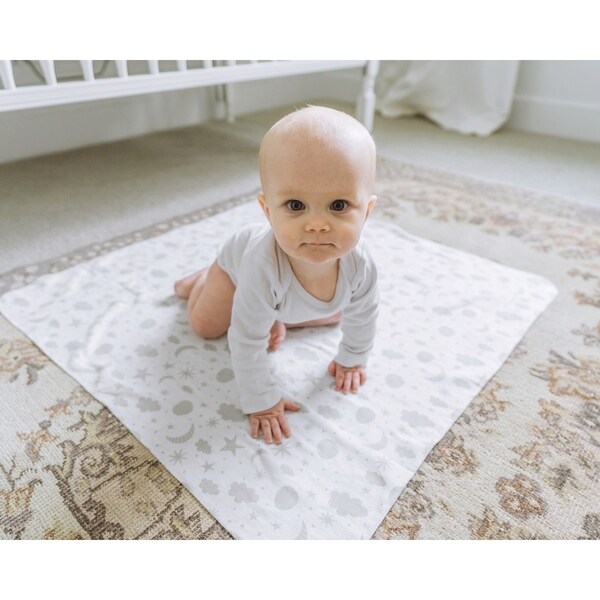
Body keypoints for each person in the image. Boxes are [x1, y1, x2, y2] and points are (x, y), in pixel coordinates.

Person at [174, 105, 378, 445]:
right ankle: (201, 279)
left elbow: (365, 315)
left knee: (338, 312)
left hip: (279, 296)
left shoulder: (361, 264)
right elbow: (246, 340)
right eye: (296, 206)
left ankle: (273, 313)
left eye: (339, 206)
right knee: (207, 326)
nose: (316, 224)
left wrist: (353, 359)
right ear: (268, 211)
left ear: (367, 211)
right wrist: (261, 400)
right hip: (236, 273)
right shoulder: (261, 264)